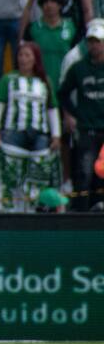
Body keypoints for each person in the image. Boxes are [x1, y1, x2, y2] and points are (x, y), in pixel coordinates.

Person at [0, 42, 61, 212]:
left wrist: (56, 135)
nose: (23, 59)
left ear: (36, 59)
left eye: (27, 55)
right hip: (14, 133)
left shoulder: (44, 82)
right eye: (21, 55)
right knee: (11, 174)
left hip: (40, 135)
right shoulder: (8, 79)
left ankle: (34, 209)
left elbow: (52, 109)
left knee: (38, 175)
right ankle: (9, 209)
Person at [57, 19, 104, 211]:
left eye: (97, 41)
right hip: (87, 128)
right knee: (84, 174)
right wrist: (71, 114)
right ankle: (81, 217)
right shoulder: (79, 68)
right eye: (91, 41)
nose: (93, 45)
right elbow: (62, 93)